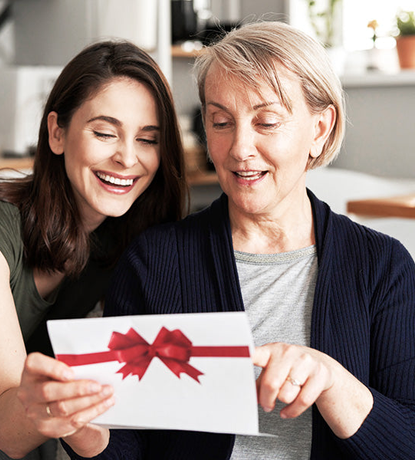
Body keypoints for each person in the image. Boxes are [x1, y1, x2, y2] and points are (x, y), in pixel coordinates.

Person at [62, 20, 415, 460]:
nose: (239, 148)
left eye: (266, 121)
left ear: (320, 129)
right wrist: (81, 429)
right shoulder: (154, 262)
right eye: (221, 121)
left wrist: (331, 380)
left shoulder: (382, 266)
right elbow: (128, 445)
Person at [0, 39, 187, 459]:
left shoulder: (130, 237)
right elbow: (8, 431)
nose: (127, 158)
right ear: (57, 133)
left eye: (148, 140)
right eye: (104, 133)